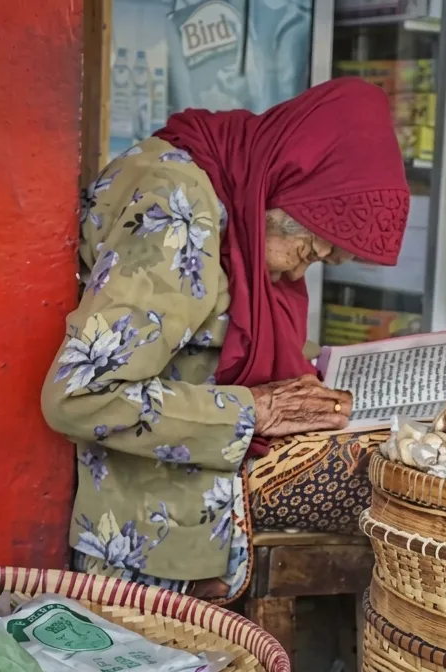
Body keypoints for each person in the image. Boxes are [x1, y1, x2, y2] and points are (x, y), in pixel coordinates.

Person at [41, 78, 410, 601]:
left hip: (195, 532)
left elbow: (202, 342)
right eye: (310, 252)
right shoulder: (177, 212)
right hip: (147, 554)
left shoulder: (241, 191)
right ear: (286, 189)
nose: (305, 270)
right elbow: (81, 394)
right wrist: (255, 411)